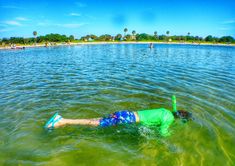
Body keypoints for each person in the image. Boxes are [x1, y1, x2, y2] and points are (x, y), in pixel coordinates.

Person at [45, 96, 192, 136]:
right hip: (127, 119)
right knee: (95, 123)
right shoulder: (169, 119)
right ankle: (63, 121)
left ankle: (63, 120)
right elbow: (162, 132)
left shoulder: (165, 111)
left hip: (126, 113)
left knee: (97, 120)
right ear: (181, 118)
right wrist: (170, 134)